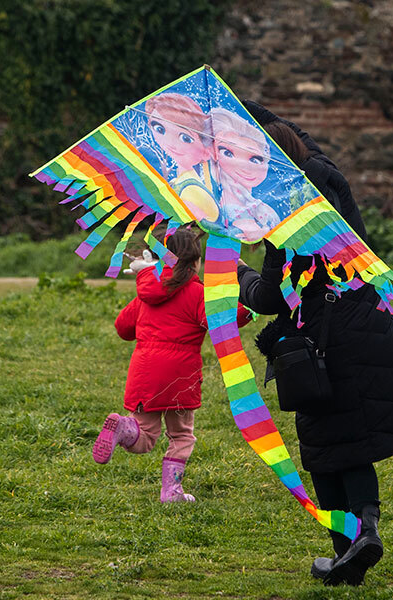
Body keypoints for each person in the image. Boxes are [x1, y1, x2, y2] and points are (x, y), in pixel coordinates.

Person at [237, 102, 393, 586]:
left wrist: (237, 274)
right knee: (353, 440)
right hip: (366, 322)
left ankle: (345, 550)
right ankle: (366, 529)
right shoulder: (323, 173)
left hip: (318, 340)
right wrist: (237, 105)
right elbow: (294, 132)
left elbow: (269, 298)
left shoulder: (282, 215)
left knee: (325, 448)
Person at [93, 227, 252, 503]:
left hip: (144, 375)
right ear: (195, 262)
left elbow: (122, 327)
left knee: (145, 436)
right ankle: (171, 491)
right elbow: (219, 322)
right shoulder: (197, 293)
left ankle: (124, 427)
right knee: (181, 436)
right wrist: (249, 308)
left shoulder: (146, 293)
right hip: (180, 378)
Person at [208, 107, 280, 242]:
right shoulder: (210, 204)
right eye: (227, 153)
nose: (242, 165)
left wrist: (264, 232)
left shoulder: (266, 212)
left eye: (255, 159)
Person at [145, 93, 220, 222]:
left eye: (186, 138)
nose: (170, 143)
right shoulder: (181, 180)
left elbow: (204, 222)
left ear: (206, 151)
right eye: (160, 129)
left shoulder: (190, 189)